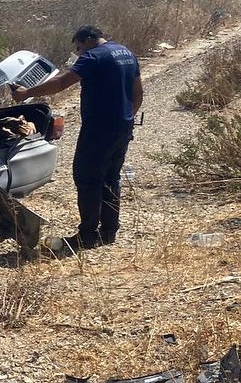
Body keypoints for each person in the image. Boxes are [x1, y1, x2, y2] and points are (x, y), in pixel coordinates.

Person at [10, 25, 143, 252]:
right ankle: (109, 231)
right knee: (111, 177)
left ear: (89, 39)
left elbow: (62, 83)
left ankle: (87, 235)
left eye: (79, 48)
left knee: (87, 178)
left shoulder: (93, 57)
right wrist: (127, 118)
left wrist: (26, 93)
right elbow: (138, 92)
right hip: (122, 126)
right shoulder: (126, 53)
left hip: (98, 129)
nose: (79, 52)